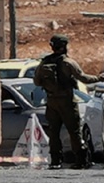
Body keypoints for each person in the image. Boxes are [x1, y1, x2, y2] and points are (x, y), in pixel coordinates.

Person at [34, 34, 89, 169]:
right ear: (65, 46)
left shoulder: (44, 62)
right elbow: (84, 78)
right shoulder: (68, 63)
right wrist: (100, 78)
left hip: (52, 102)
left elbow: (36, 81)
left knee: (54, 132)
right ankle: (80, 160)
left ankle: (55, 161)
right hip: (67, 102)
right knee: (74, 132)